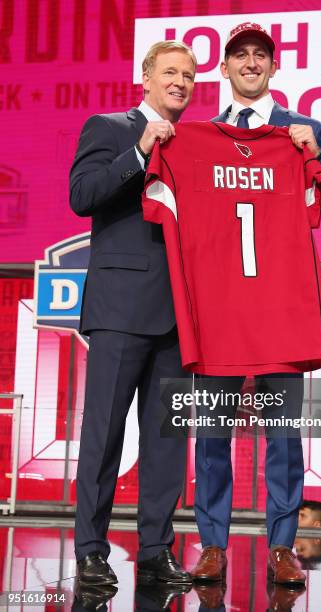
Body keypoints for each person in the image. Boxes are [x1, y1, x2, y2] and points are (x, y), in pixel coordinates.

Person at [190, 22, 321, 585]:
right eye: (241, 55)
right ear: (226, 68)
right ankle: (212, 543)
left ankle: (282, 544)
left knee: (282, 434)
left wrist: (318, 157)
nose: (250, 63)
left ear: (274, 67)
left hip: (279, 311)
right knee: (211, 433)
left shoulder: (303, 130)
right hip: (219, 312)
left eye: (260, 54)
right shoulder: (197, 136)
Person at [70, 40, 196, 586]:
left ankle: (155, 548)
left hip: (180, 315)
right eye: (170, 71)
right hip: (120, 309)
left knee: (168, 440)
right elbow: (82, 195)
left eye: (188, 75)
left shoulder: (198, 143)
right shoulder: (109, 126)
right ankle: (92, 550)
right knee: (103, 436)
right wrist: (141, 151)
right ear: (145, 78)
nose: (180, 81)